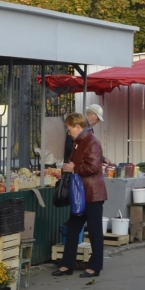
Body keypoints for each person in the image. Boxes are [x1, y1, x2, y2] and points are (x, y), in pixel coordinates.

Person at [53, 113, 106, 278]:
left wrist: (73, 168)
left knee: (95, 230)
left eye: (69, 129)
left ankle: (94, 266)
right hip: (81, 193)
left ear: (77, 126)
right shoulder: (80, 142)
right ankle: (67, 264)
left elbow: (94, 168)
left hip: (92, 194)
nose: (69, 133)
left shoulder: (92, 142)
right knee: (73, 228)